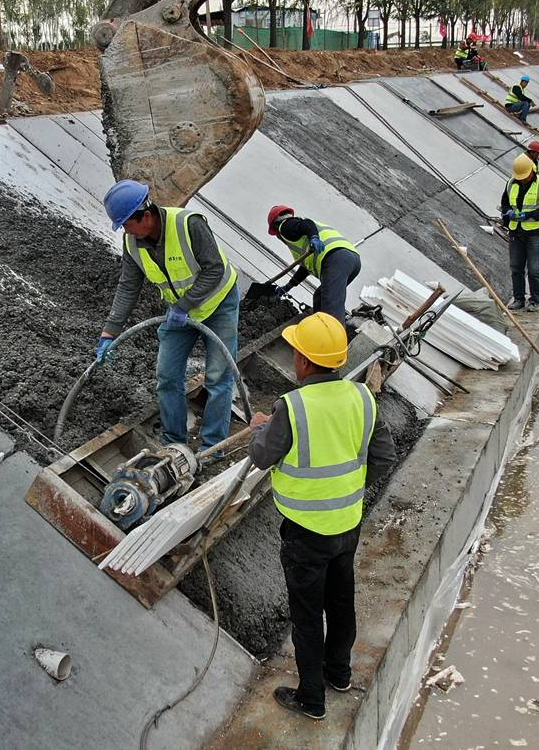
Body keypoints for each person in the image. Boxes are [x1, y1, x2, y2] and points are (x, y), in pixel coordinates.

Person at [247, 312, 397, 721]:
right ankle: (340, 674)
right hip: (347, 524)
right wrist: (344, 490)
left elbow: (261, 457)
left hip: (306, 531)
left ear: (305, 362)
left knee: (308, 617)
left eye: (296, 352)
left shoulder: (293, 407)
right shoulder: (362, 397)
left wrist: (263, 428)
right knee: (341, 601)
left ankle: (311, 699)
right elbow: (383, 457)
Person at [98, 179, 241, 450]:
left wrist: (184, 305)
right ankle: (175, 443)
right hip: (179, 313)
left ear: (147, 217)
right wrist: (110, 331)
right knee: (166, 376)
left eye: (127, 224)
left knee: (218, 378)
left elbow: (214, 270)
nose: (125, 231)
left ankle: (212, 448)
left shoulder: (189, 225)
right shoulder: (133, 243)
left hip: (218, 304)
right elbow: (128, 286)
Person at [265, 205, 361, 323]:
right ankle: (319, 328)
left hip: (335, 260)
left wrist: (314, 237)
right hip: (352, 261)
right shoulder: (300, 239)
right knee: (320, 297)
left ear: (276, 227)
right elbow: (305, 268)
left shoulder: (284, 226)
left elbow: (306, 224)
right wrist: (289, 286)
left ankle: (333, 338)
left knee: (330, 311)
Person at [499, 153, 539, 311]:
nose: (522, 179)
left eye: (524, 176)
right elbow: (505, 202)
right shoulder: (511, 183)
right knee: (516, 267)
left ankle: (534, 300)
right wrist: (507, 212)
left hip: (534, 233)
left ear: (532, 170)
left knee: (534, 269)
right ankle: (519, 299)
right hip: (516, 233)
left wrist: (530, 215)